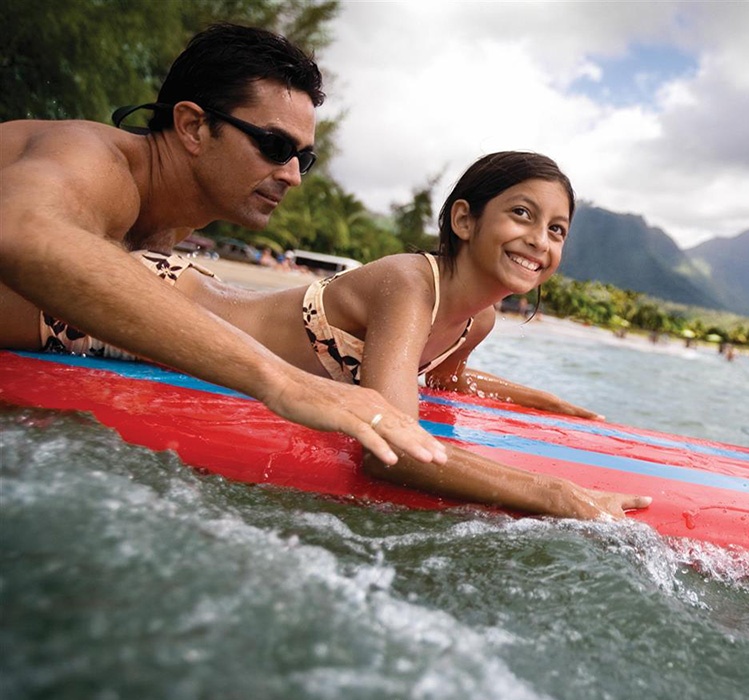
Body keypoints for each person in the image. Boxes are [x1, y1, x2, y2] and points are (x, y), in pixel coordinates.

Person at [6, 151, 651, 519]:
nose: (540, 240)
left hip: (192, 301)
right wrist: (557, 493)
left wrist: (542, 402)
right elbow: (388, 449)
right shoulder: (409, 282)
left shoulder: (475, 320)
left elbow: (441, 381)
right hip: (138, 307)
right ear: (463, 218)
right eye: (522, 214)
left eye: (558, 229)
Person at [0, 23, 446, 468]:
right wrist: (281, 381)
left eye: (303, 158)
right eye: (275, 145)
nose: (292, 175)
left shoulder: (164, 224)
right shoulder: (88, 158)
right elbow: (23, 231)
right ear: (193, 126)